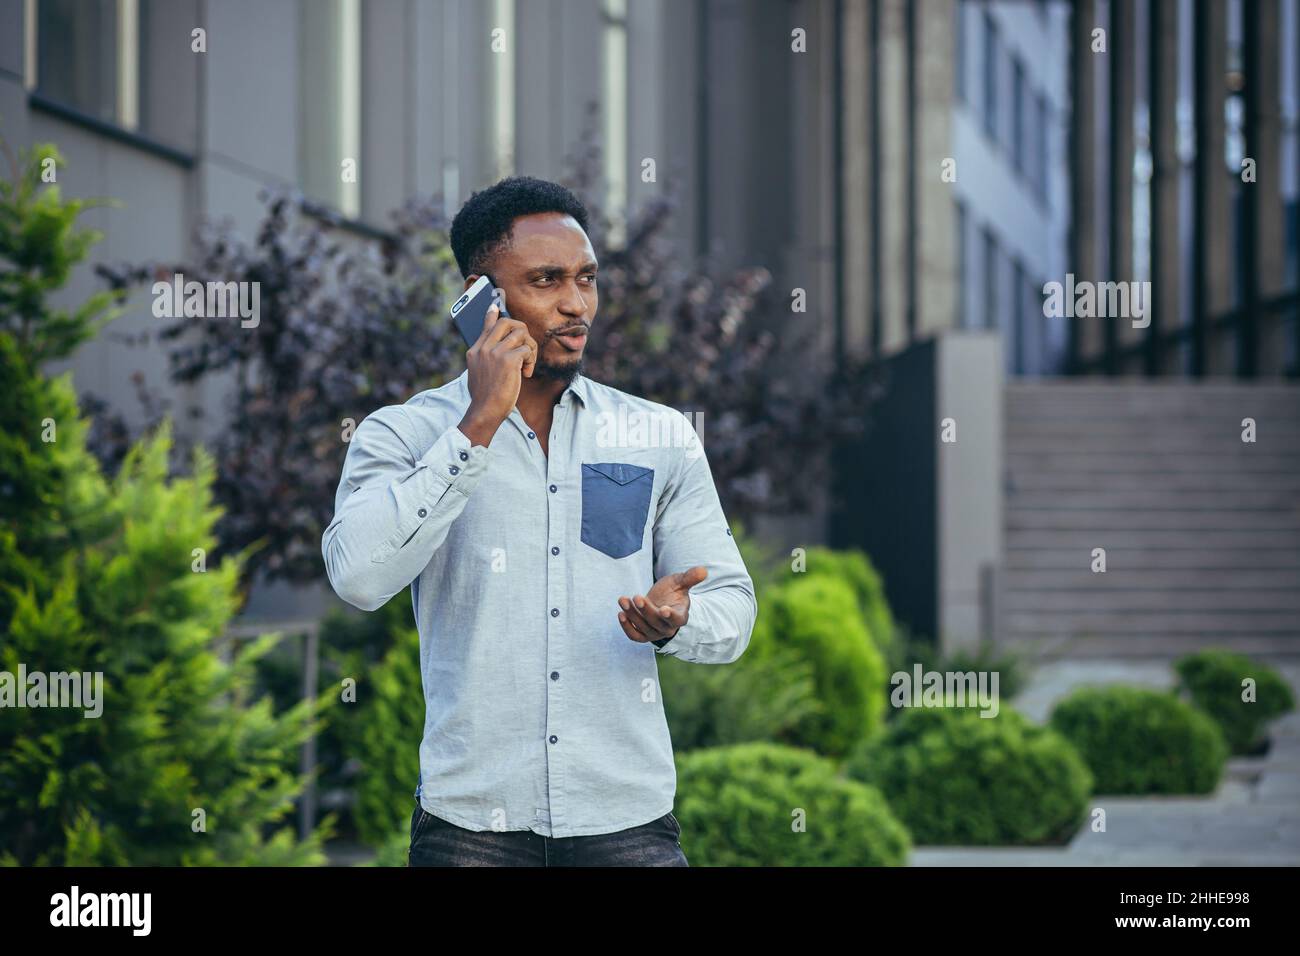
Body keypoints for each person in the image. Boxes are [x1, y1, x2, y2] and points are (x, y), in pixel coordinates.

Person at [322, 175, 757, 866]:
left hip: (629, 827)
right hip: (469, 831)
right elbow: (359, 576)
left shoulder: (660, 435)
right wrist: (478, 425)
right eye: (548, 280)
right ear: (480, 298)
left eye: (586, 279)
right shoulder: (401, 436)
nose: (576, 304)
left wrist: (680, 622)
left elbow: (731, 607)